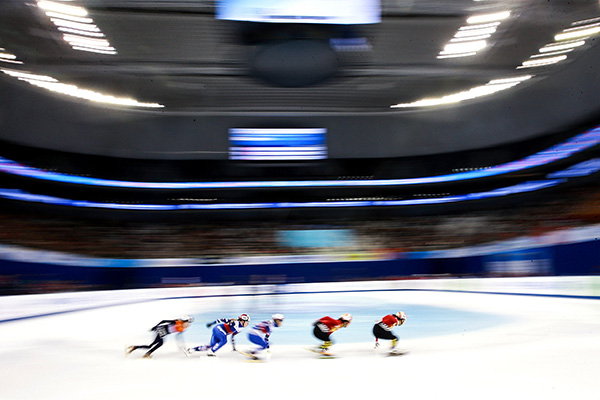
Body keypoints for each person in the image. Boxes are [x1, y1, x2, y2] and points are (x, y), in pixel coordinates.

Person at [126, 315, 194, 359]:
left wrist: (180, 345)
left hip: (163, 332)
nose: (188, 324)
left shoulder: (182, 328)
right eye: (188, 322)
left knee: (152, 345)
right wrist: (155, 327)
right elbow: (163, 321)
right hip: (161, 330)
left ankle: (135, 348)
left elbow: (178, 337)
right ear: (185, 321)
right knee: (158, 344)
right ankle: (144, 353)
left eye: (189, 323)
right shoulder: (177, 322)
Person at [186, 314, 250, 357]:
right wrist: (212, 323)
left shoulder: (240, 329)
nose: (247, 324)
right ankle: (211, 352)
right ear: (242, 321)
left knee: (211, 345)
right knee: (224, 340)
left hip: (219, 332)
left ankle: (191, 350)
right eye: (247, 322)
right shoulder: (235, 322)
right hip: (219, 329)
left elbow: (233, 337)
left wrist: (233, 347)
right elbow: (222, 319)